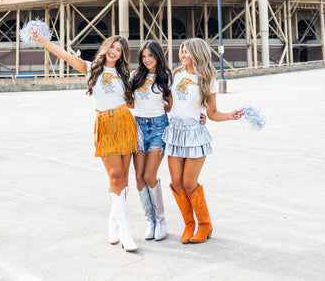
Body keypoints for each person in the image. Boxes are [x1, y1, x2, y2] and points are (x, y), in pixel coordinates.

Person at [31, 31, 138, 252]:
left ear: (122, 55)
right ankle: (126, 232)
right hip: (105, 126)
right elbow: (65, 55)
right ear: (106, 47)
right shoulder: (91, 68)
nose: (114, 52)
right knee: (115, 176)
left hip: (125, 124)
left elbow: (136, 102)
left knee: (124, 180)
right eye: (112, 47)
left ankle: (113, 224)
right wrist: (43, 41)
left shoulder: (125, 75)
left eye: (119, 50)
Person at [162, 38, 243, 244]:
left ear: (198, 53)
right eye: (182, 51)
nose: (183, 55)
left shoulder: (208, 78)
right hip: (175, 131)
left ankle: (205, 225)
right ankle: (189, 224)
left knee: (189, 183)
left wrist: (230, 115)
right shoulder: (175, 74)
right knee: (177, 183)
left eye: (187, 52)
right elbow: (170, 106)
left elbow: (212, 113)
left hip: (194, 133)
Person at [130, 40, 172, 242]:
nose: (147, 60)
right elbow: (129, 101)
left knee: (149, 175)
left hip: (158, 127)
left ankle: (161, 220)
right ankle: (150, 220)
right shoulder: (135, 76)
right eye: (144, 56)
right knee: (139, 177)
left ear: (157, 56)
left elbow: (172, 105)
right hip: (138, 127)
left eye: (151, 56)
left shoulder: (166, 77)